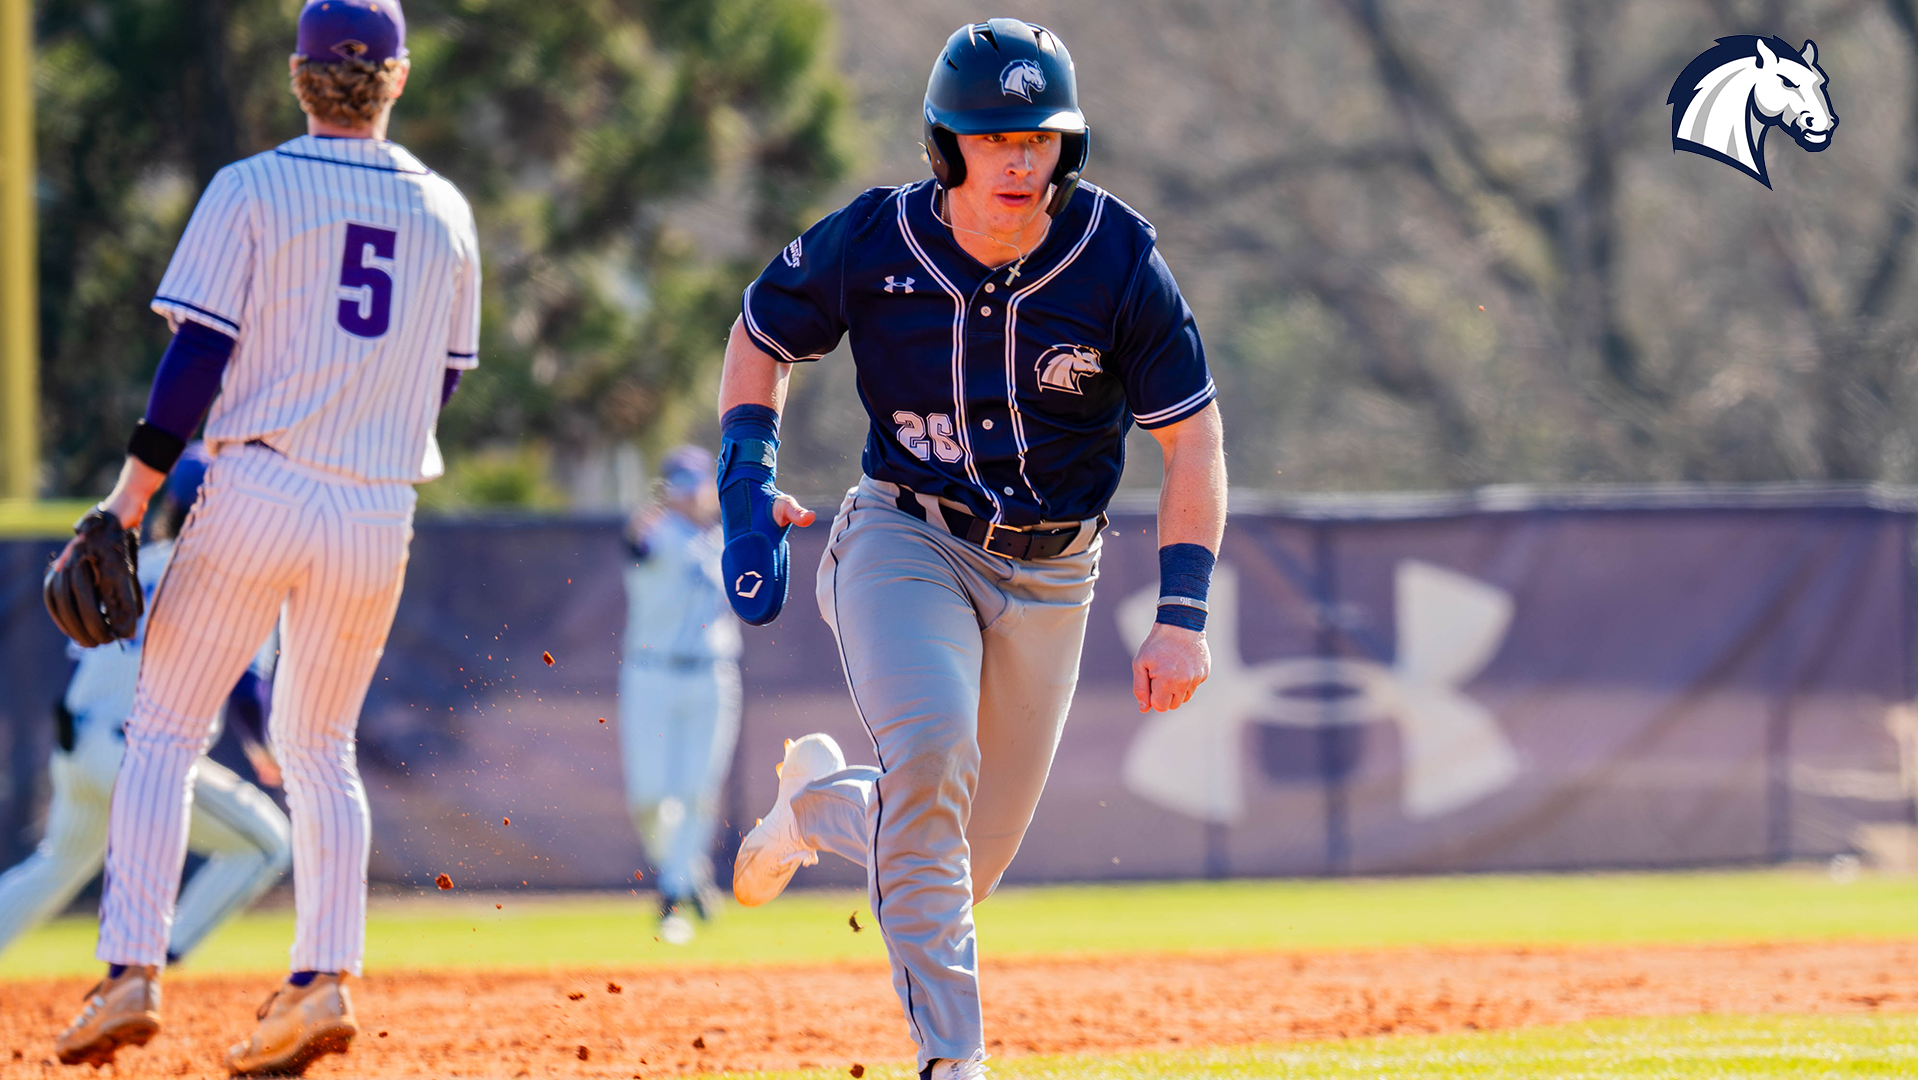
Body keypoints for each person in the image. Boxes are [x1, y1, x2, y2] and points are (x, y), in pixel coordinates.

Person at [717, 20, 1226, 1080]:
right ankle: (955, 1062)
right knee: (936, 751)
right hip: (906, 538)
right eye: (990, 138)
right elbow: (760, 336)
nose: (1016, 160)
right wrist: (745, 485)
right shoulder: (875, 241)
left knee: (959, 865)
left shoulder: (1117, 258)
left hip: (1053, 574)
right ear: (944, 148)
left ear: (1067, 150)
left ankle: (816, 804)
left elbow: (1194, 442)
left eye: (1038, 139)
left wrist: (1182, 615)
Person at [49, 0, 481, 1072]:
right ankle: (323, 982)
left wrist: (128, 503)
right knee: (321, 748)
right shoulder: (448, 211)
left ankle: (130, 974)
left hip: (259, 485)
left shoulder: (250, 187)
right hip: (379, 506)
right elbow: (444, 384)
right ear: (400, 76)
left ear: (299, 76)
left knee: (162, 729)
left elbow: (195, 360)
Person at [0, 447, 290, 964]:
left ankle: (142, 963)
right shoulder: (242, 580)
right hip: (136, 754)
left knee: (55, 867)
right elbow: (247, 691)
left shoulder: (137, 567)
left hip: (77, 745)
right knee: (268, 844)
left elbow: (88, 656)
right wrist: (265, 751)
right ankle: (150, 962)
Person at [617, 445, 741, 945]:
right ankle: (688, 873)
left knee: (697, 791)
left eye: (695, 482)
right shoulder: (658, 531)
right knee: (649, 796)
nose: (687, 492)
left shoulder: (727, 537)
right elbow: (636, 544)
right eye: (678, 483)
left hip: (713, 672)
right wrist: (648, 518)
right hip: (651, 672)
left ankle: (671, 891)